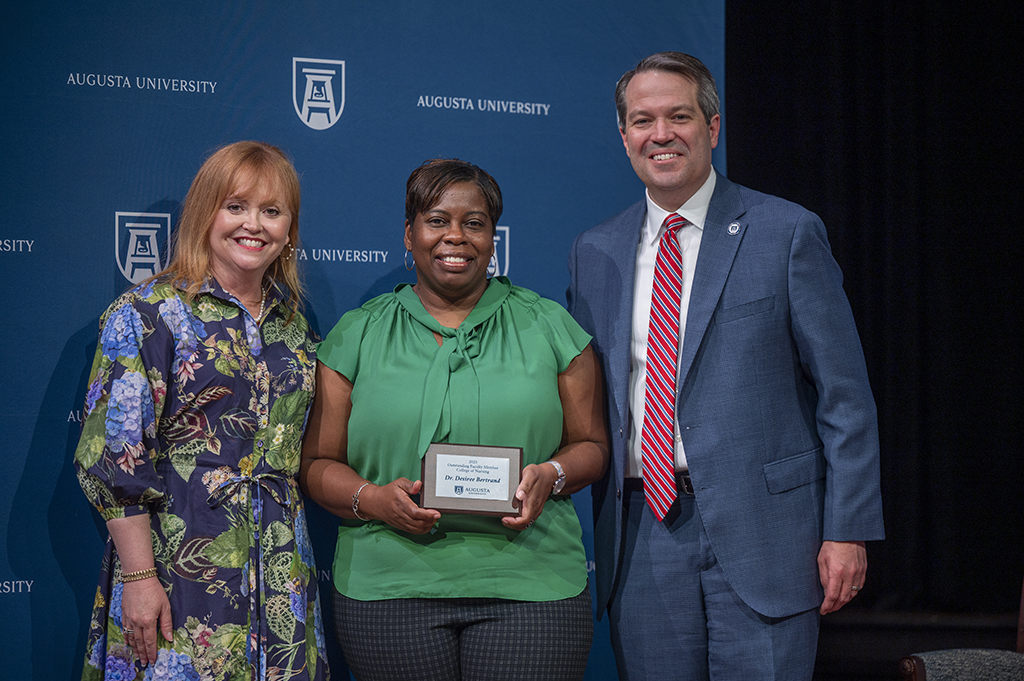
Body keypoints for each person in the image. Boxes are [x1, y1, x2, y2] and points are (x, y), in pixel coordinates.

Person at [566, 52, 885, 680]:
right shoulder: (593, 250)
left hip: (767, 536)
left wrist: (847, 529)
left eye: (679, 117)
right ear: (624, 135)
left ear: (713, 128)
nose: (661, 134)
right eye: (643, 120)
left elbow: (845, 397)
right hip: (644, 531)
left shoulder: (786, 232)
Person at [300, 158, 608, 681]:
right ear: (409, 234)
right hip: (388, 587)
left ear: (493, 237)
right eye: (437, 220)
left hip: (531, 586)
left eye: (475, 223)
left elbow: (592, 446)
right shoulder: (357, 334)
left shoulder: (551, 326)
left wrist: (551, 477)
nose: (456, 237)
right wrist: (373, 500)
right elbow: (316, 463)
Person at [74, 141, 329, 680]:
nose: (253, 225)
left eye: (271, 211)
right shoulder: (147, 314)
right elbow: (115, 455)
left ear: (289, 229)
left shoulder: (297, 329)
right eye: (235, 206)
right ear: (204, 213)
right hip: (176, 571)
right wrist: (140, 577)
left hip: (282, 573)